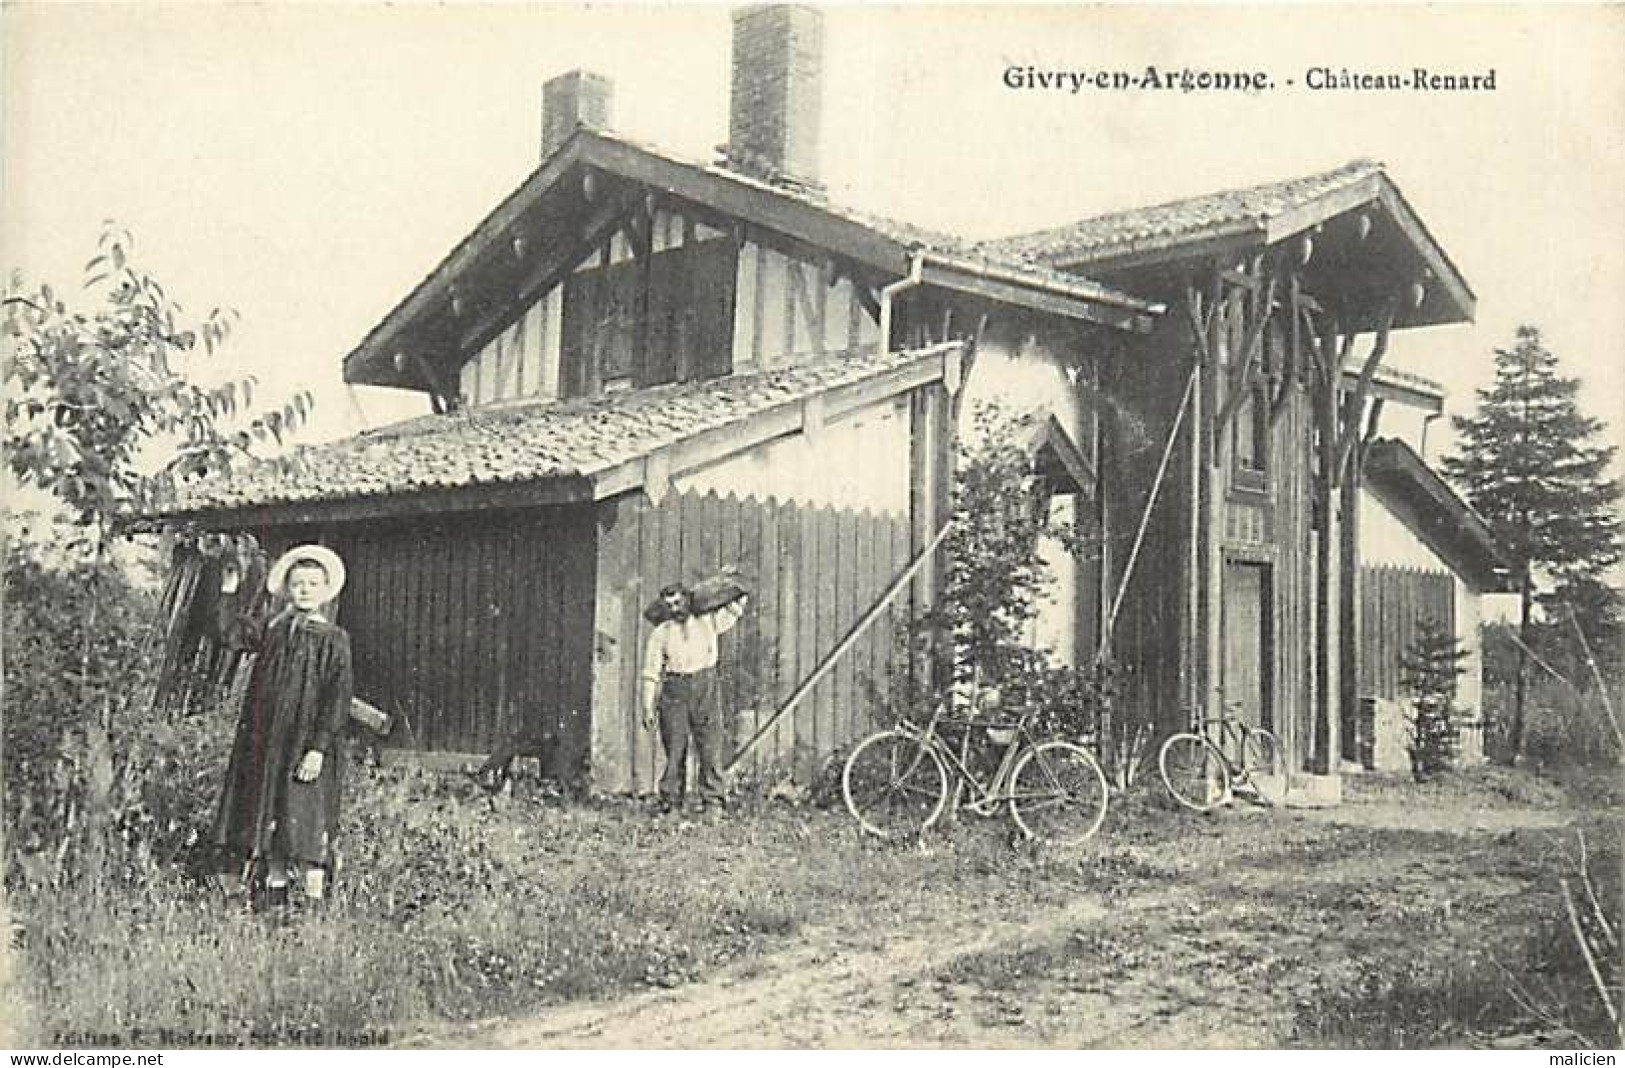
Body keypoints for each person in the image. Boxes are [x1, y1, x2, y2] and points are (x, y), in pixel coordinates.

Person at [211, 544, 353, 911]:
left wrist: (318, 749)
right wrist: (229, 591)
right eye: (298, 583)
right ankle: (273, 909)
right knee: (273, 823)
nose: (304, 590)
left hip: (305, 747)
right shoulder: (274, 631)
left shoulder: (333, 639)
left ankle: (312, 913)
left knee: (306, 824)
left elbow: (336, 699)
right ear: (287, 589)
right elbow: (233, 635)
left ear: (325, 591)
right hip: (269, 745)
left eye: (312, 584)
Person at [640, 581, 747, 814]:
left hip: (705, 685)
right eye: (669, 605)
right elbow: (650, 673)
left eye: (678, 602)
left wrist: (730, 586)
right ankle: (671, 803)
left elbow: (737, 607)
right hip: (674, 689)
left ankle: (713, 803)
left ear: (688, 600)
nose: (675, 609)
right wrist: (647, 707)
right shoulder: (661, 633)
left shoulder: (708, 622)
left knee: (709, 745)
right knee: (675, 747)